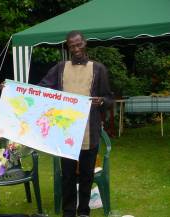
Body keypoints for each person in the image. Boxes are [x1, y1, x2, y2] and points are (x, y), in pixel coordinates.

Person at [38, 31, 113, 217]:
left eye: (79, 44)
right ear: (68, 47)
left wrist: (101, 101)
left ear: (85, 43)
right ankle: (69, 212)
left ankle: (84, 212)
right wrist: (13, 91)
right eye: (72, 46)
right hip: (66, 133)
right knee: (68, 176)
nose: (76, 49)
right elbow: (41, 89)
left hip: (90, 131)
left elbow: (109, 98)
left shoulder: (98, 69)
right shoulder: (60, 68)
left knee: (87, 175)